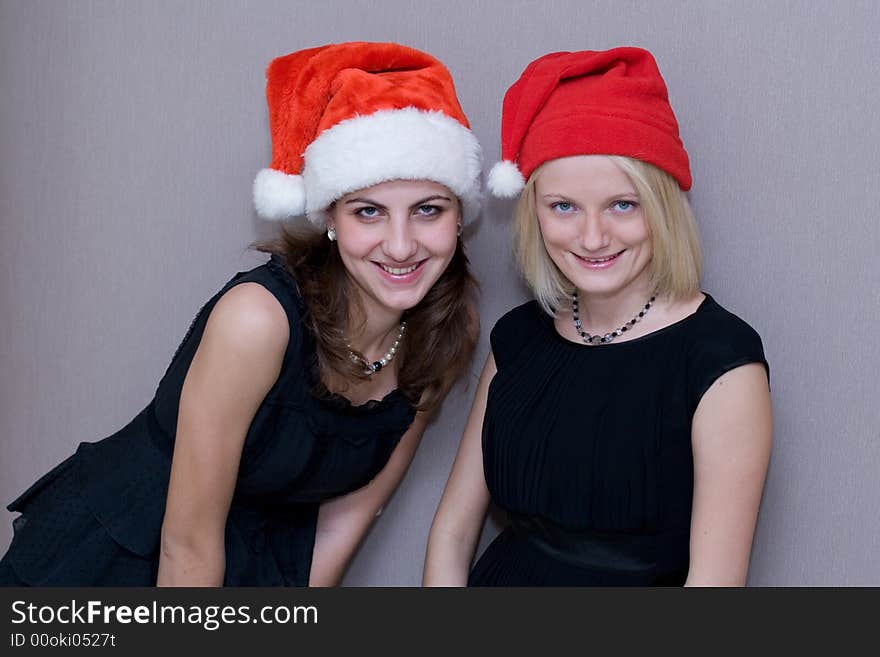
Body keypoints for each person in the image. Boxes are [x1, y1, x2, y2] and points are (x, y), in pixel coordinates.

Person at [0, 41, 482, 586]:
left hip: (259, 573)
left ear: (460, 216)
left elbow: (342, 525)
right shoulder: (257, 319)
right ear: (329, 220)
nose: (400, 246)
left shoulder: (442, 331)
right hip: (128, 562)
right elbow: (187, 545)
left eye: (428, 210)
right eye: (368, 211)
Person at [423, 47, 772, 586]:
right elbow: (452, 533)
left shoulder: (721, 363)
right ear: (533, 212)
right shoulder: (517, 340)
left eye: (622, 205)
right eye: (563, 206)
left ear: (662, 208)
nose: (591, 237)